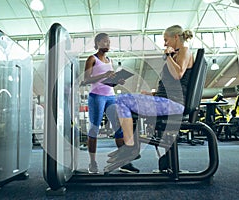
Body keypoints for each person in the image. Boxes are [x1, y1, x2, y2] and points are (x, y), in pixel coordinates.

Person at [108, 25, 194, 165]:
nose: (165, 43)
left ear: (176, 37)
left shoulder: (184, 50)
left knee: (122, 100)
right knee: (127, 102)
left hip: (173, 103)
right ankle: (131, 147)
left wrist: (167, 55)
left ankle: (130, 148)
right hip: (168, 101)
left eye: (166, 40)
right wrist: (151, 94)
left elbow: (178, 74)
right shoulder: (177, 54)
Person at [82, 33, 139, 174]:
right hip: (96, 97)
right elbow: (86, 80)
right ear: (97, 43)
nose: (108, 44)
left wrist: (117, 81)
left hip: (111, 97)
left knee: (119, 129)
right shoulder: (92, 59)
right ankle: (92, 163)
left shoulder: (109, 60)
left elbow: (109, 84)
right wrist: (104, 75)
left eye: (109, 42)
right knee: (94, 129)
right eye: (105, 42)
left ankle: (123, 163)